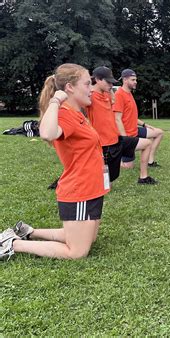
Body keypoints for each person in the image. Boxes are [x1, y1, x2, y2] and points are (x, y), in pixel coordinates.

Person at [0, 63, 109, 260]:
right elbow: (48, 133)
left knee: (88, 239)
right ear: (70, 88)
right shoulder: (65, 113)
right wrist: (55, 101)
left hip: (93, 186)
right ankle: (13, 243)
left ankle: (29, 232)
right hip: (80, 189)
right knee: (77, 252)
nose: (91, 89)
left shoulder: (78, 113)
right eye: (87, 84)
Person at [87, 66, 156, 185]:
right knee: (105, 183)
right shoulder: (90, 97)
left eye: (111, 82)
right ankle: (65, 181)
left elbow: (112, 104)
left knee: (147, 143)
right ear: (98, 80)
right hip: (104, 145)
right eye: (108, 82)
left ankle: (143, 178)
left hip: (116, 139)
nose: (110, 85)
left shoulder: (107, 94)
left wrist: (111, 93)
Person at [113, 69, 164, 169]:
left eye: (136, 79)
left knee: (159, 132)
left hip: (135, 130)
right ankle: (112, 158)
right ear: (124, 80)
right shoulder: (119, 95)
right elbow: (117, 119)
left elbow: (131, 116)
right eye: (133, 80)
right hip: (127, 135)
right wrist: (125, 139)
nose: (135, 82)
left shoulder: (129, 93)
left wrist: (144, 124)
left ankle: (150, 161)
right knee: (128, 166)